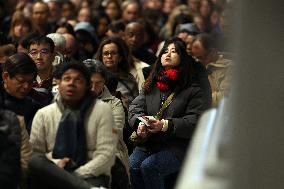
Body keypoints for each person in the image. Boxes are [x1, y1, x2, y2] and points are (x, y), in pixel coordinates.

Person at [128, 37, 206, 189]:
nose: (167, 54)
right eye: (165, 51)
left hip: (177, 146)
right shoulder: (151, 84)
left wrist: (164, 125)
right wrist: (140, 123)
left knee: (150, 166)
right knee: (132, 164)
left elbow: (194, 121)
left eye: (173, 51)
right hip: (149, 142)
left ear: (183, 57)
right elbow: (135, 107)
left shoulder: (193, 89)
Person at [28, 61, 117, 189]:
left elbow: (106, 155)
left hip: (91, 174)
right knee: (35, 161)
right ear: (58, 83)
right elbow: (37, 154)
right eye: (67, 79)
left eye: (78, 80)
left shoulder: (102, 110)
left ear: (87, 86)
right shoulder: (44, 114)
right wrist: (57, 165)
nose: (71, 83)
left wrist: (71, 176)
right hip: (54, 172)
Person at [86, 60, 131, 189]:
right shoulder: (72, 100)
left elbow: (113, 133)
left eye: (98, 83)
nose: (93, 88)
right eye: (90, 83)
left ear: (104, 81)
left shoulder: (114, 103)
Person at [0, 52, 41, 134]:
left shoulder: (33, 106)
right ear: (6, 77)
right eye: (21, 81)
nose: (26, 87)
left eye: (30, 82)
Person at [95, 36, 139, 108]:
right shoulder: (94, 78)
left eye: (113, 53)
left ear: (120, 58)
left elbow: (136, 106)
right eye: (106, 53)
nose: (109, 56)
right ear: (101, 57)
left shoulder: (128, 79)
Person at [191, 33, 232, 106]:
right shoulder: (192, 69)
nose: (196, 62)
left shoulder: (229, 68)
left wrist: (198, 100)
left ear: (212, 52)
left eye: (200, 58)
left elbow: (226, 96)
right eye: (194, 58)